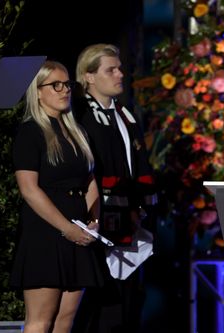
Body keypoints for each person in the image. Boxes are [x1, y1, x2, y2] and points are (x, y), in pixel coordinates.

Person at [10, 60, 104, 333]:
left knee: (65, 322)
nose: (65, 91)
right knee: (41, 321)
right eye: (56, 85)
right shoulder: (31, 132)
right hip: (46, 231)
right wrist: (66, 229)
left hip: (79, 230)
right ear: (37, 91)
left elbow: (90, 181)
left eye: (68, 85)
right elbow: (29, 189)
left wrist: (93, 220)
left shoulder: (77, 132)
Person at [71, 43, 157, 333]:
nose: (121, 74)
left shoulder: (125, 115)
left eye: (120, 68)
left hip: (129, 222)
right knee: (99, 305)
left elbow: (139, 166)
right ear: (89, 76)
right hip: (97, 224)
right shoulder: (81, 117)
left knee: (128, 304)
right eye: (111, 70)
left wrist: (143, 207)